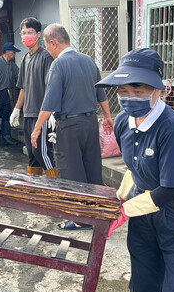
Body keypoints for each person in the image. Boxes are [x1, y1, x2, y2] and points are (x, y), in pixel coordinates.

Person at [98, 48, 174, 292]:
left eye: (139, 90)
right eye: (123, 91)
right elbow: (134, 170)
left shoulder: (172, 129)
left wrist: (125, 211)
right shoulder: (124, 121)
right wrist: (119, 199)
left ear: (159, 90)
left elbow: (169, 191)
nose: (130, 97)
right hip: (144, 215)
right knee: (144, 290)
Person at [31, 23, 113, 231]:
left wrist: (37, 128)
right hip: (89, 123)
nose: (48, 51)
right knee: (92, 168)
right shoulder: (88, 61)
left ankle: (80, 219)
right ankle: (97, 214)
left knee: (71, 172)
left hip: (69, 125)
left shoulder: (58, 64)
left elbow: (49, 102)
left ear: (53, 42)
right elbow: (101, 93)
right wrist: (107, 116)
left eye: (48, 47)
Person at [10, 17, 56, 177]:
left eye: (30, 32)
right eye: (23, 33)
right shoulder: (25, 58)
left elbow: (51, 88)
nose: (26, 36)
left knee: (42, 153)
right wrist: (16, 109)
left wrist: (52, 112)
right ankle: (34, 187)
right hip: (28, 114)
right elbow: (22, 87)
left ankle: (56, 187)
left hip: (41, 114)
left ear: (38, 34)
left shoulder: (45, 57)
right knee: (32, 154)